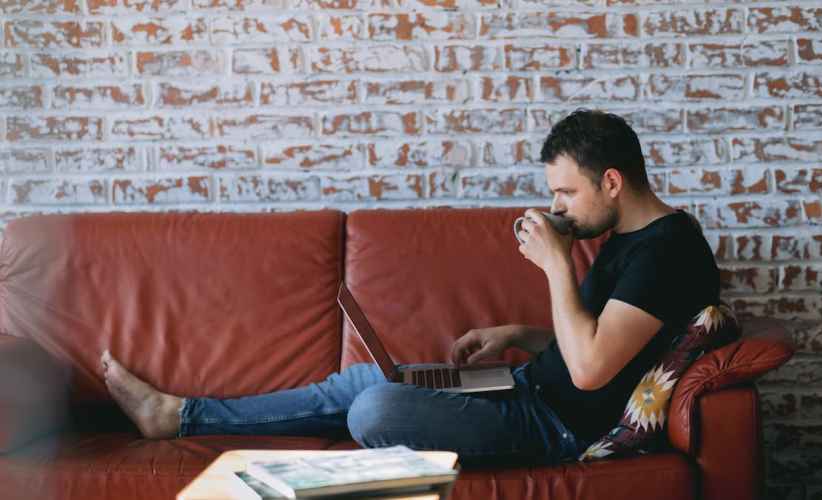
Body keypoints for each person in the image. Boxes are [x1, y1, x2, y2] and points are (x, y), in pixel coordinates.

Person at [101, 109, 720, 467]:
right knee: (365, 382)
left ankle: (179, 417)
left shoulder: (668, 253)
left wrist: (557, 264)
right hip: (528, 387)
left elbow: (589, 372)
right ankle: (179, 416)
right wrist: (516, 335)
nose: (556, 205)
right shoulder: (630, 237)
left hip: (556, 428)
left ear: (612, 181)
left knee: (376, 408)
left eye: (566, 192)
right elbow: (605, 340)